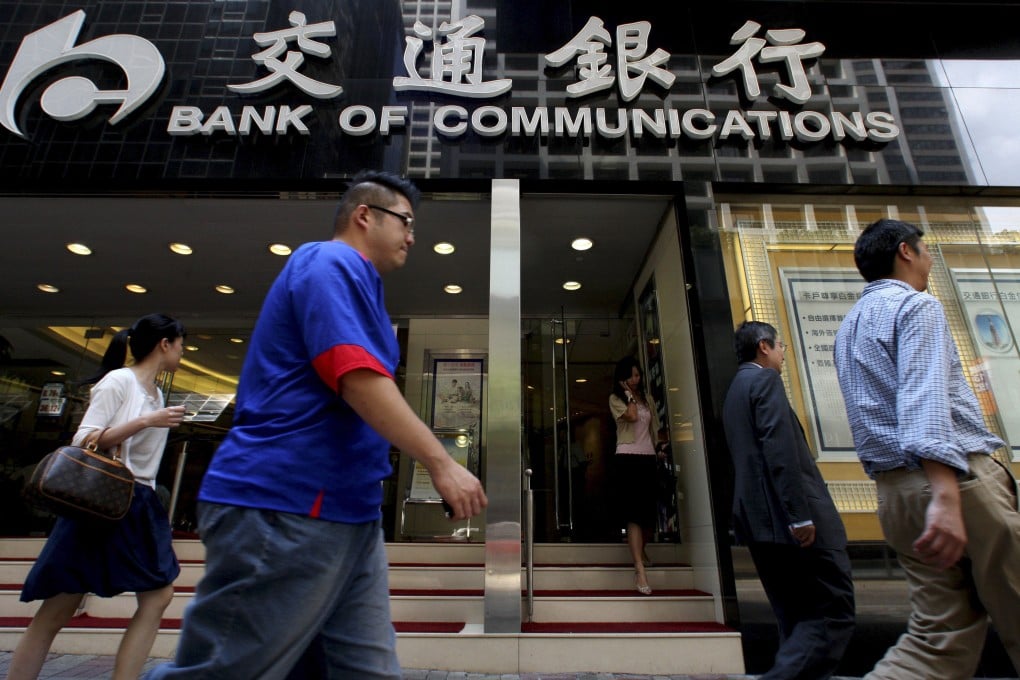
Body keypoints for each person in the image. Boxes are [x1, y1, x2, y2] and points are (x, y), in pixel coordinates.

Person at [146, 171, 487, 680]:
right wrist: (440, 460)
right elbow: (357, 377)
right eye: (406, 221)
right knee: (227, 671)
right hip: (286, 502)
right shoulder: (330, 262)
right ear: (364, 215)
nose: (413, 236)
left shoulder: (361, 284)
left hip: (349, 512)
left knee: (364, 670)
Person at [834, 218, 1020, 679]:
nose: (931, 258)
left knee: (937, 642)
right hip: (955, 485)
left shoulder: (848, 327)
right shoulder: (917, 307)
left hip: (896, 494)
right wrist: (945, 494)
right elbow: (924, 397)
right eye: (927, 249)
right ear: (906, 252)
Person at [8, 314, 187, 680]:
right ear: (164, 344)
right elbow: (83, 439)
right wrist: (146, 422)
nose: (183, 352)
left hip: (138, 502)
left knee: (158, 596)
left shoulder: (154, 393)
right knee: (58, 608)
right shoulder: (119, 381)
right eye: (181, 344)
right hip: (102, 502)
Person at [722, 321, 855, 679]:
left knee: (793, 619)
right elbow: (778, 450)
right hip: (788, 522)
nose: (784, 353)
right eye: (781, 346)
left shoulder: (735, 389)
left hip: (758, 522)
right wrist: (799, 516)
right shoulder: (764, 381)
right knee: (830, 611)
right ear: (763, 346)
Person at [609, 356, 661, 595]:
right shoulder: (616, 399)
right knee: (633, 514)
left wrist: (660, 449)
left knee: (649, 514)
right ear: (622, 379)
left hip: (648, 458)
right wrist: (628, 395)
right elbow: (630, 417)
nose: (635, 379)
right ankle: (639, 568)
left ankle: (641, 549)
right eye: (631, 375)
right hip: (628, 458)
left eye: (638, 375)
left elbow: (655, 428)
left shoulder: (647, 399)